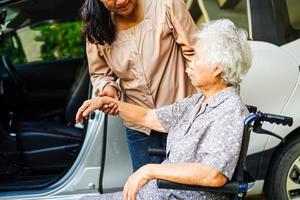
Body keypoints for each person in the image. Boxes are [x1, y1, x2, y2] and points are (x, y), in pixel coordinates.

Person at [76, 19, 252, 200]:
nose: (189, 64)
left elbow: (213, 174)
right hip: (159, 193)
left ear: (217, 68)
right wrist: (108, 103)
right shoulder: (198, 102)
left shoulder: (229, 112)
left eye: (196, 58)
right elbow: (149, 117)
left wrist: (151, 170)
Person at [81, 0, 197, 172]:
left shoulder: (166, 5)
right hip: (140, 129)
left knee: (190, 190)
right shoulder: (97, 27)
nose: (120, 1)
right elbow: (100, 73)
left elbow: (195, 54)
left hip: (184, 119)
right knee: (147, 190)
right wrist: (108, 88)